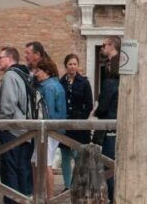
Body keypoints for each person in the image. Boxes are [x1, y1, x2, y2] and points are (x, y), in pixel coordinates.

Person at [0, 46, 33, 201]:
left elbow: (7, 107)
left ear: (9, 58)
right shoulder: (24, 74)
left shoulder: (10, 75)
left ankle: (12, 201)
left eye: (0, 57)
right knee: (22, 170)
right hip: (24, 130)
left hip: (11, 130)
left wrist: (0, 127)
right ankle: (24, 200)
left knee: (9, 172)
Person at [32, 58, 66, 198]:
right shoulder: (54, 84)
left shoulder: (49, 87)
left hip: (49, 130)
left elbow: (49, 112)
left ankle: (49, 198)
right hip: (53, 129)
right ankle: (39, 196)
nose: (35, 73)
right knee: (36, 162)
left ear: (46, 71)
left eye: (38, 70)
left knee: (46, 164)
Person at [58, 54, 93, 190]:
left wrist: (80, 120)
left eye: (75, 64)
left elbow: (89, 104)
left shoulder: (84, 82)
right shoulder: (61, 82)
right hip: (65, 125)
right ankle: (67, 186)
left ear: (78, 66)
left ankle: (77, 185)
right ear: (66, 66)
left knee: (78, 156)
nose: (72, 67)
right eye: (70, 64)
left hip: (79, 126)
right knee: (65, 156)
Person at [95, 36, 120, 203]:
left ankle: (113, 199)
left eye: (104, 45)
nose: (102, 48)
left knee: (109, 166)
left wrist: (96, 111)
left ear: (112, 46)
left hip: (110, 126)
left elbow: (103, 106)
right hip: (117, 124)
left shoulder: (111, 80)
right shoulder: (120, 70)